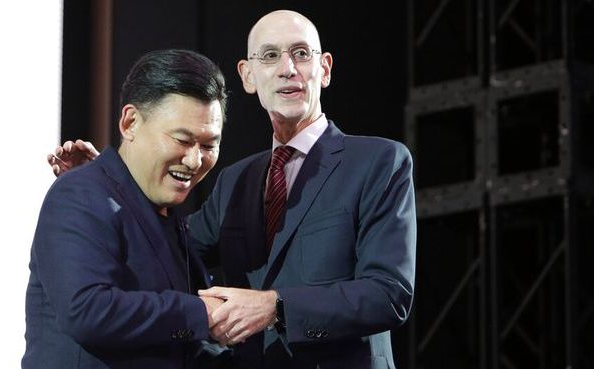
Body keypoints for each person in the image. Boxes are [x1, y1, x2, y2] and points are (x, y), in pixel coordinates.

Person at [51, 10, 416, 369]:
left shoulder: (379, 162)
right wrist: (116, 185)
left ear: (325, 69)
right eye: (271, 55)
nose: (288, 68)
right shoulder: (235, 180)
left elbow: (389, 294)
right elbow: (167, 252)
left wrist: (276, 307)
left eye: (302, 53)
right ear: (248, 76)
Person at [23, 49, 229, 369]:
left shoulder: (166, 219)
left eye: (208, 145)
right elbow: (87, 311)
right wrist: (203, 312)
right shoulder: (79, 193)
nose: (194, 160)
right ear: (130, 122)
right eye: (182, 139)